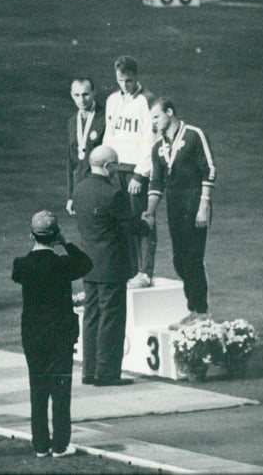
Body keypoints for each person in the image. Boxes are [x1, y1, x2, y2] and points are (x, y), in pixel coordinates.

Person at [12, 211, 92, 458]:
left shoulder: (22, 265)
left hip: (33, 335)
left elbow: (23, 269)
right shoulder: (62, 264)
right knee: (60, 391)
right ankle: (60, 444)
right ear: (55, 235)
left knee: (37, 389)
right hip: (60, 334)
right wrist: (66, 242)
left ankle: (40, 444)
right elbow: (86, 263)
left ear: (31, 235)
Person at [72, 146, 151, 386]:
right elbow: (131, 225)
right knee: (111, 318)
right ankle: (107, 374)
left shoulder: (80, 188)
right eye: (115, 165)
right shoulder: (113, 193)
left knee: (91, 316)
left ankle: (90, 371)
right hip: (111, 265)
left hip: (89, 263)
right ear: (108, 167)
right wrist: (146, 223)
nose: (117, 169)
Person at [144, 98, 216, 330]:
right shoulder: (158, 147)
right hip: (174, 204)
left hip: (195, 200)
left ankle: (201, 312)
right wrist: (150, 211)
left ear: (170, 112)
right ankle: (195, 309)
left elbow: (209, 169)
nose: (153, 122)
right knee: (179, 260)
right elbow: (156, 182)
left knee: (193, 258)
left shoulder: (194, 135)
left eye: (156, 116)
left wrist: (204, 204)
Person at [102, 56, 157, 289]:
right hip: (116, 170)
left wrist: (140, 173)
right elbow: (109, 136)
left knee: (141, 220)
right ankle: (130, 270)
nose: (124, 85)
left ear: (137, 76)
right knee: (122, 221)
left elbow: (151, 141)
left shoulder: (147, 101)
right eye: (120, 80)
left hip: (135, 171)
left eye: (129, 80)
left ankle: (145, 272)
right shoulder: (113, 100)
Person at [66, 77, 106, 216]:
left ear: (94, 92)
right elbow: (71, 162)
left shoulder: (105, 117)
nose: (81, 100)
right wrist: (71, 196)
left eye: (85, 94)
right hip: (81, 188)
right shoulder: (72, 122)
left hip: (99, 187)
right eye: (77, 95)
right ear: (72, 95)